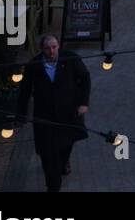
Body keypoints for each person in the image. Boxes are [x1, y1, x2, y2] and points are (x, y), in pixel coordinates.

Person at [15, 34, 91, 193]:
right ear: (42, 49)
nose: (51, 51)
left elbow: (84, 78)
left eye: (54, 47)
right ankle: (53, 186)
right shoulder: (34, 65)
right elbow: (25, 90)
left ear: (58, 46)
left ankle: (63, 162)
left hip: (68, 112)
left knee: (66, 143)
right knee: (48, 153)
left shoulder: (70, 59)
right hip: (44, 115)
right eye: (47, 48)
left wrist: (83, 103)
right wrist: (21, 115)